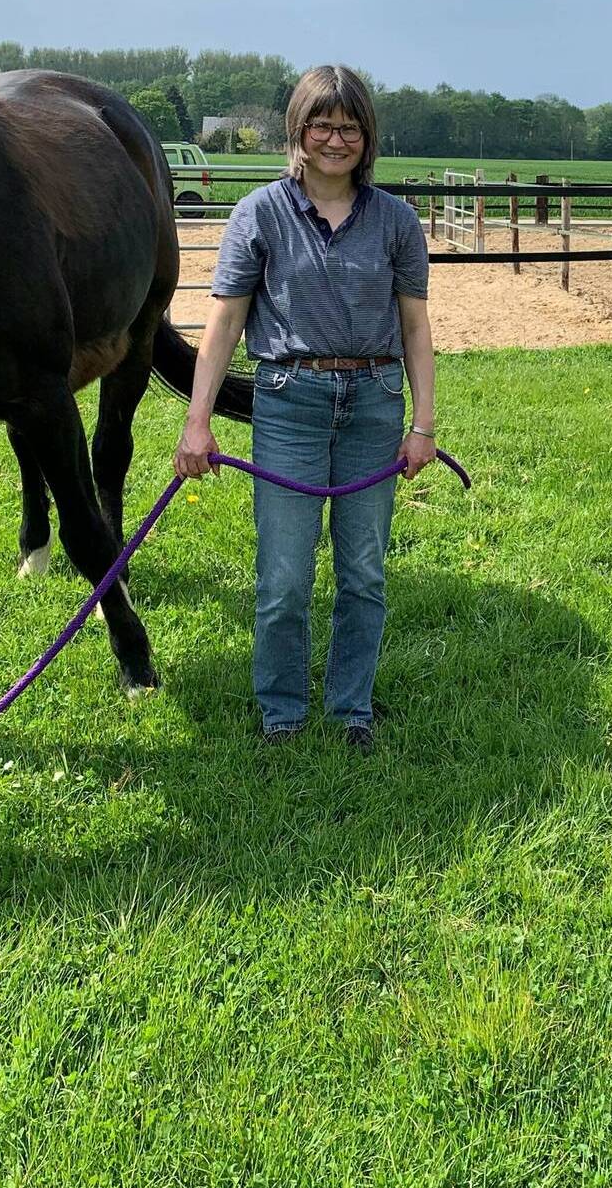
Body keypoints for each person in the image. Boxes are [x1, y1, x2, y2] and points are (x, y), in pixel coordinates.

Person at [175, 64, 437, 748]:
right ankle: (283, 712)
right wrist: (197, 421)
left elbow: (415, 325)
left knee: (364, 570)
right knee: (285, 576)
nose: (335, 138)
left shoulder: (395, 221)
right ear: (298, 130)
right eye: (322, 123)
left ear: (367, 138)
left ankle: (352, 709)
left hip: (375, 404)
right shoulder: (258, 214)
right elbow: (225, 321)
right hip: (289, 401)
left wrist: (422, 425)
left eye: (350, 127)